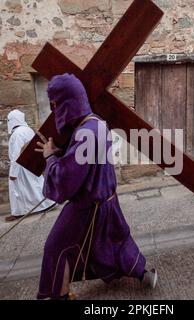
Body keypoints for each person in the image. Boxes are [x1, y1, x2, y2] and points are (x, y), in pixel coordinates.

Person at [35, 73, 157, 300]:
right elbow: (87, 161)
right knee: (115, 241)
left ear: (68, 101)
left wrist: (50, 158)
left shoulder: (85, 132)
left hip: (87, 206)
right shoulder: (96, 123)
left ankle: (57, 296)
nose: (54, 110)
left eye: (55, 104)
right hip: (107, 201)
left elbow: (66, 179)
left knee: (56, 248)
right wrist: (64, 153)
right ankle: (143, 274)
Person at [6, 110, 56, 222]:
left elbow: (15, 155)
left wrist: (13, 173)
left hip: (21, 166)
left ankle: (18, 212)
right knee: (35, 185)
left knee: (18, 190)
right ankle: (49, 202)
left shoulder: (17, 134)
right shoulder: (28, 130)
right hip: (30, 162)